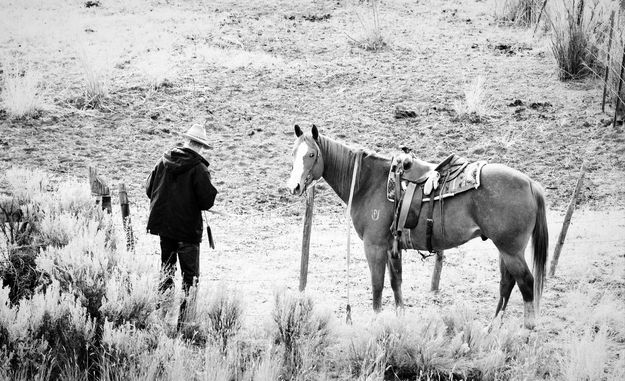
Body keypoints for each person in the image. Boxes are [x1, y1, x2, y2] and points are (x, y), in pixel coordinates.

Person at [145, 124, 218, 330]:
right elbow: (207, 201)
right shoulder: (199, 168)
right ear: (200, 147)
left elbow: (149, 189)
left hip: (165, 229)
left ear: (186, 142)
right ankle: (184, 325)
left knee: (166, 272)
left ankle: (161, 319)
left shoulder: (163, 161)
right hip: (187, 232)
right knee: (190, 279)